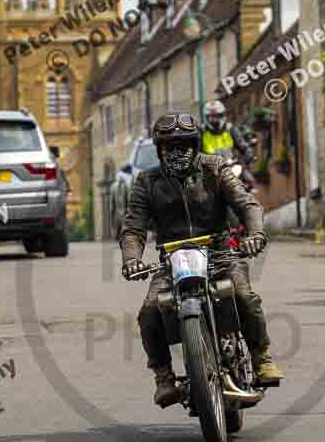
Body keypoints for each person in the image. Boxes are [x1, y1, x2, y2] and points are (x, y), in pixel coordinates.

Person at [120, 112, 283, 408]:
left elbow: (248, 205)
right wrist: (131, 258)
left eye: (183, 145)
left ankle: (262, 358)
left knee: (244, 296)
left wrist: (255, 234)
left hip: (219, 254)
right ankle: (164, 378)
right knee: (149, 312)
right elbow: (133, 229)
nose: (177, 152)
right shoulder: (147, 182)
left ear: (195, 146)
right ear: (160, 150)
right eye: (170, 146)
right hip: (171, 261)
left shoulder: (216, 168)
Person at [201, 100, 256, 189]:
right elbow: (195, 150)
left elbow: (242, 144)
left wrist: (248, 153)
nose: (215, 120)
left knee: (249, 181)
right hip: (209, 170)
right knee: (196, 191)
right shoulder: (202, 132)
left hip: (230, 165)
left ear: (223, 115)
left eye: (217, 116)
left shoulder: (230, 129)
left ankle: (249, 200)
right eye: (211, 117)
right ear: (206, 118)